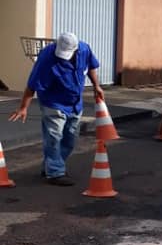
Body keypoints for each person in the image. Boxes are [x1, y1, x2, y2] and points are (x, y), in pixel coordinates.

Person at [8, 32, 104, 186]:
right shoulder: (47, 58)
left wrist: (96, 86)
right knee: (54, 137)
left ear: (75, 48)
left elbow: (91, 66)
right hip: (53, 102)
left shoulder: (84, 49)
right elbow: (32, 84)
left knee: (70, 139)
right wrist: (23, 108)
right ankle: (55, 172)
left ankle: (50, 166)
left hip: (74, 102)